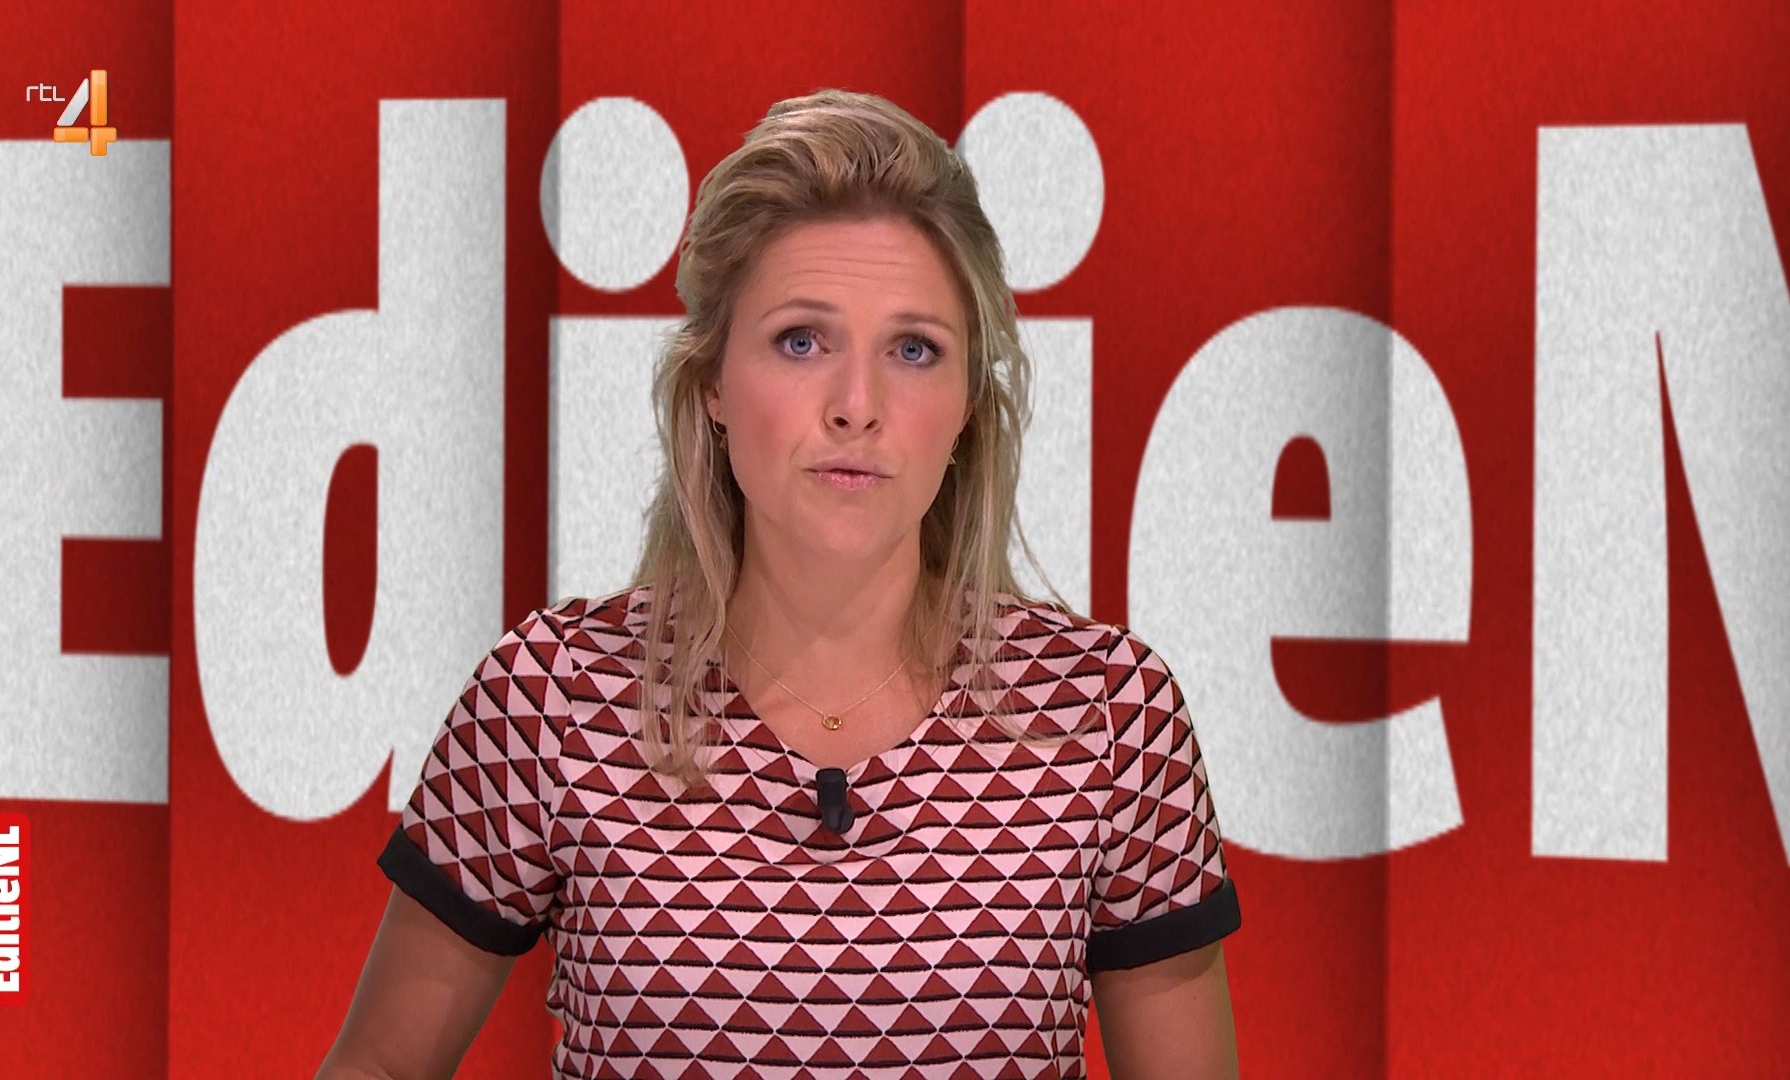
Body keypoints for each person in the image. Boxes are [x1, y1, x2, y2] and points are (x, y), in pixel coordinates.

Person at [318, 88, 1240, 1080]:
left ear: (969, 403)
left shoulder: (1110, 714)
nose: (857, 405)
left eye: (914, 350)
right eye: (802, 341)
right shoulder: (551, 695)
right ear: (713, 382)